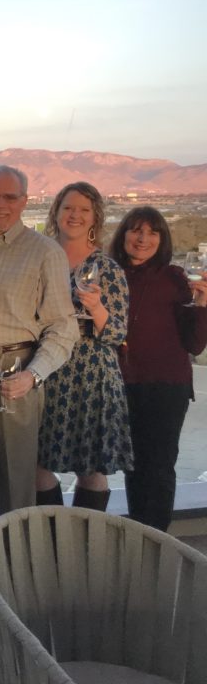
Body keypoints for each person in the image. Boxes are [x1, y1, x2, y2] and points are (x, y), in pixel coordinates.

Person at [0, 165, 78, 580]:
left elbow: (63, 325)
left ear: (24, 201)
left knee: (16, 472)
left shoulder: (44, 252)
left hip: (15, 367)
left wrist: (34, 375)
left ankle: (15, 562)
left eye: (8, 197)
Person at [107, 207, 207, 530]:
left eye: (152, 232)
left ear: (161, 239)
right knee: (133, 467)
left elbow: (195, 343)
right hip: (122, 385)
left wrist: (204, 305)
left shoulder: (174, 278)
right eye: (136, 230)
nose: (143, 238)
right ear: (123, 234)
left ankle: (156, 542)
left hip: (166, 387)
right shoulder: (109, 275)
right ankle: (140, 533)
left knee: (160, 468)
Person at [36, 183, 133, 511]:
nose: (74, 215)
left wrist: (96, 308)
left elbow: (117, 333)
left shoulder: (108, 269)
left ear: (95, 218)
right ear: (56, 213)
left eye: (83, 210)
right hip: (47, 370)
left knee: (91, 468)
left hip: (92, 376)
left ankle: (82, 546)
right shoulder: (42, 259)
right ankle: (51, 543)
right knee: (38, 463)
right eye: (68, 208)